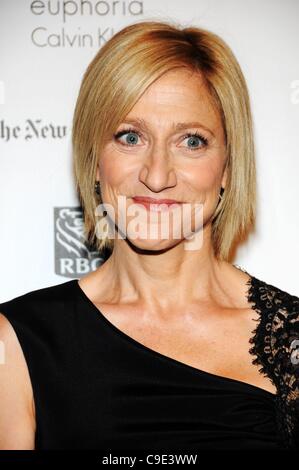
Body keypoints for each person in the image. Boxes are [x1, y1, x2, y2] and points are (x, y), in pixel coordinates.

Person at [0, 20, 298, 451]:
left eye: (191, 141)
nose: (156, 176)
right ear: (94, 160)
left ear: (228, 168)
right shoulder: (18, 344)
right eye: (131, 136)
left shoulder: (292, 340)